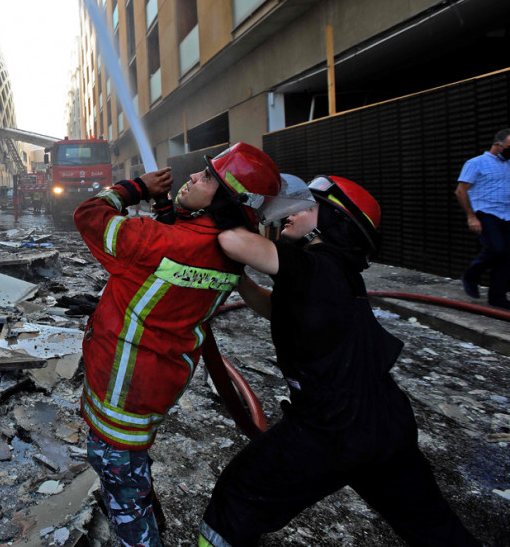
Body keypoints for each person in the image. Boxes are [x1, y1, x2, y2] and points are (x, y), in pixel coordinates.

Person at [199, 176, 480, 547]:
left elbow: (233, 240)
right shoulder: (335, 271)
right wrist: (240, 283)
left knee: (235, 501)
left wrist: (226, 198)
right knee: (432, 526)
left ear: (333, 221)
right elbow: (277, 309)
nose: (290, 211)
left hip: (330, 427)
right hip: (386, 423)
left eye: (306, 205)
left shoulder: (316, 266)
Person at [74, 143, 282, 547]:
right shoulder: (228, 251)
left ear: (226, 199)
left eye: (206, 178)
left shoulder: (154, 242)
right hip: (159, 383)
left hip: (120, 385)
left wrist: (134, 187)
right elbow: (187, 252)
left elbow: (89, 215)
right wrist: (175, 214)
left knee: (118, 475)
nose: (192, 177)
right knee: (131, 464)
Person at [455, 128, 510, 310]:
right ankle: (471, 275)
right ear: (497, 145)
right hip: (485, 212)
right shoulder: (476, 163)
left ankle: (497, 296)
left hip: (506, 213)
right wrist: (471, 216)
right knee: (496, 249)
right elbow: (461, 190)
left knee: (507, 256)